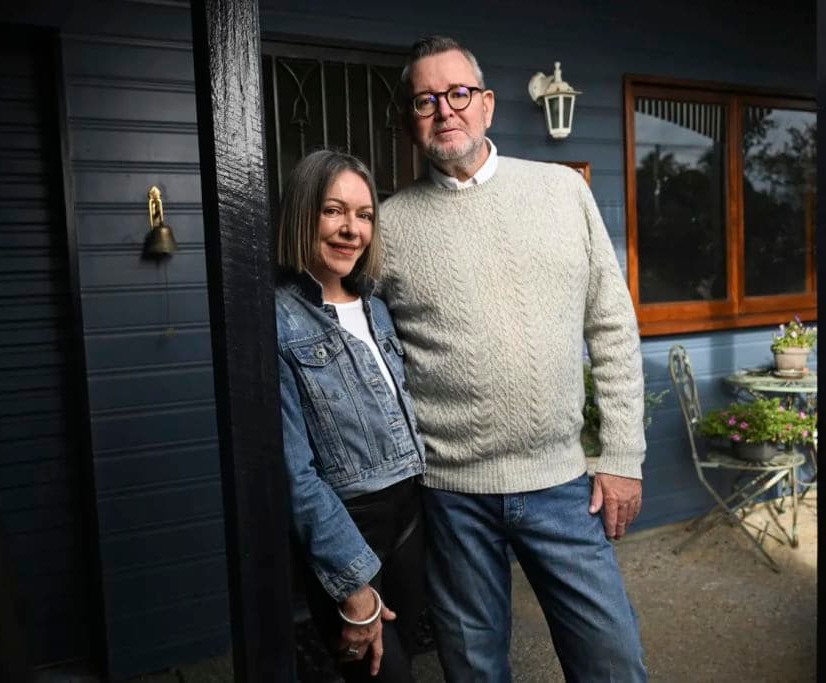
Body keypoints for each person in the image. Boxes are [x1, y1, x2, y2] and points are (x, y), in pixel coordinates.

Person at [378, 35, 648, 681]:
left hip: (562, 486)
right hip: (451, 496)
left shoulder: (562, 191)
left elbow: (612, 326)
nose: (445, 110)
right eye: (425, 100)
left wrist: (621, 456)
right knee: (474, 670)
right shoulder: (386, 224)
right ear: (412, 118)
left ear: (488, 104)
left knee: (612, 662)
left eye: (458, 93)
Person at [275, 149, 426, 682]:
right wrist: (353, 583)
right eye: (333, 211)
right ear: (304, 214)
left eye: (364, 215)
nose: (351, 230)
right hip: (349, 530)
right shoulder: (276, 319)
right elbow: (293, 474)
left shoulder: (377, 308)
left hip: (412, 521)